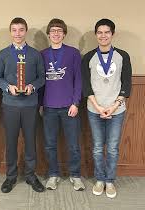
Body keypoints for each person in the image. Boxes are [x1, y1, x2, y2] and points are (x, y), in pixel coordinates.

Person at [82, 18, 132, 198]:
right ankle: (100, 179)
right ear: (96, 35)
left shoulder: (122, 56)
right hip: (94, 108)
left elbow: (127, 84)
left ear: (112, 34)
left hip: (116, 110)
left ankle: (110, 181)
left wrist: (112, 107)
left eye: (107, 32)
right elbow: (86, 86)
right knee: (96, 147)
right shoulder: (88, 57)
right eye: (100, 32)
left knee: (112, 148)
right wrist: (98, 106)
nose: (103, 35)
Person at [0, 17, 45, 193]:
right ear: (10, 32)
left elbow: (42, 78)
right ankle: (11, 176)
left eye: (21, 30)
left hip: (30, 105)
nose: (18, 33)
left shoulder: (35, 54)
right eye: (14, 30)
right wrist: (8, 87)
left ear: (26, 32)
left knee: (31, 142)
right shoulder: (2, 54)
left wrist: (33, 86)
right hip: (10, 105)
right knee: (11, 142)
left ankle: (31, 175)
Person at [40, 18, 85, 191]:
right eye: (53, 31)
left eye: (59, 30)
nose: (56, 33)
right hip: (49, 107)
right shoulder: (42, 54)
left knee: (73, 144)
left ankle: (75, 175)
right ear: (49, 34)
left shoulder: (73, 53)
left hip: (69, 107)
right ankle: (53, 175)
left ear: (64, 34)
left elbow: (78, 80)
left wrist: (76, 102)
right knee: (50, 144)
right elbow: (40, 82)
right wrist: (40, 104)